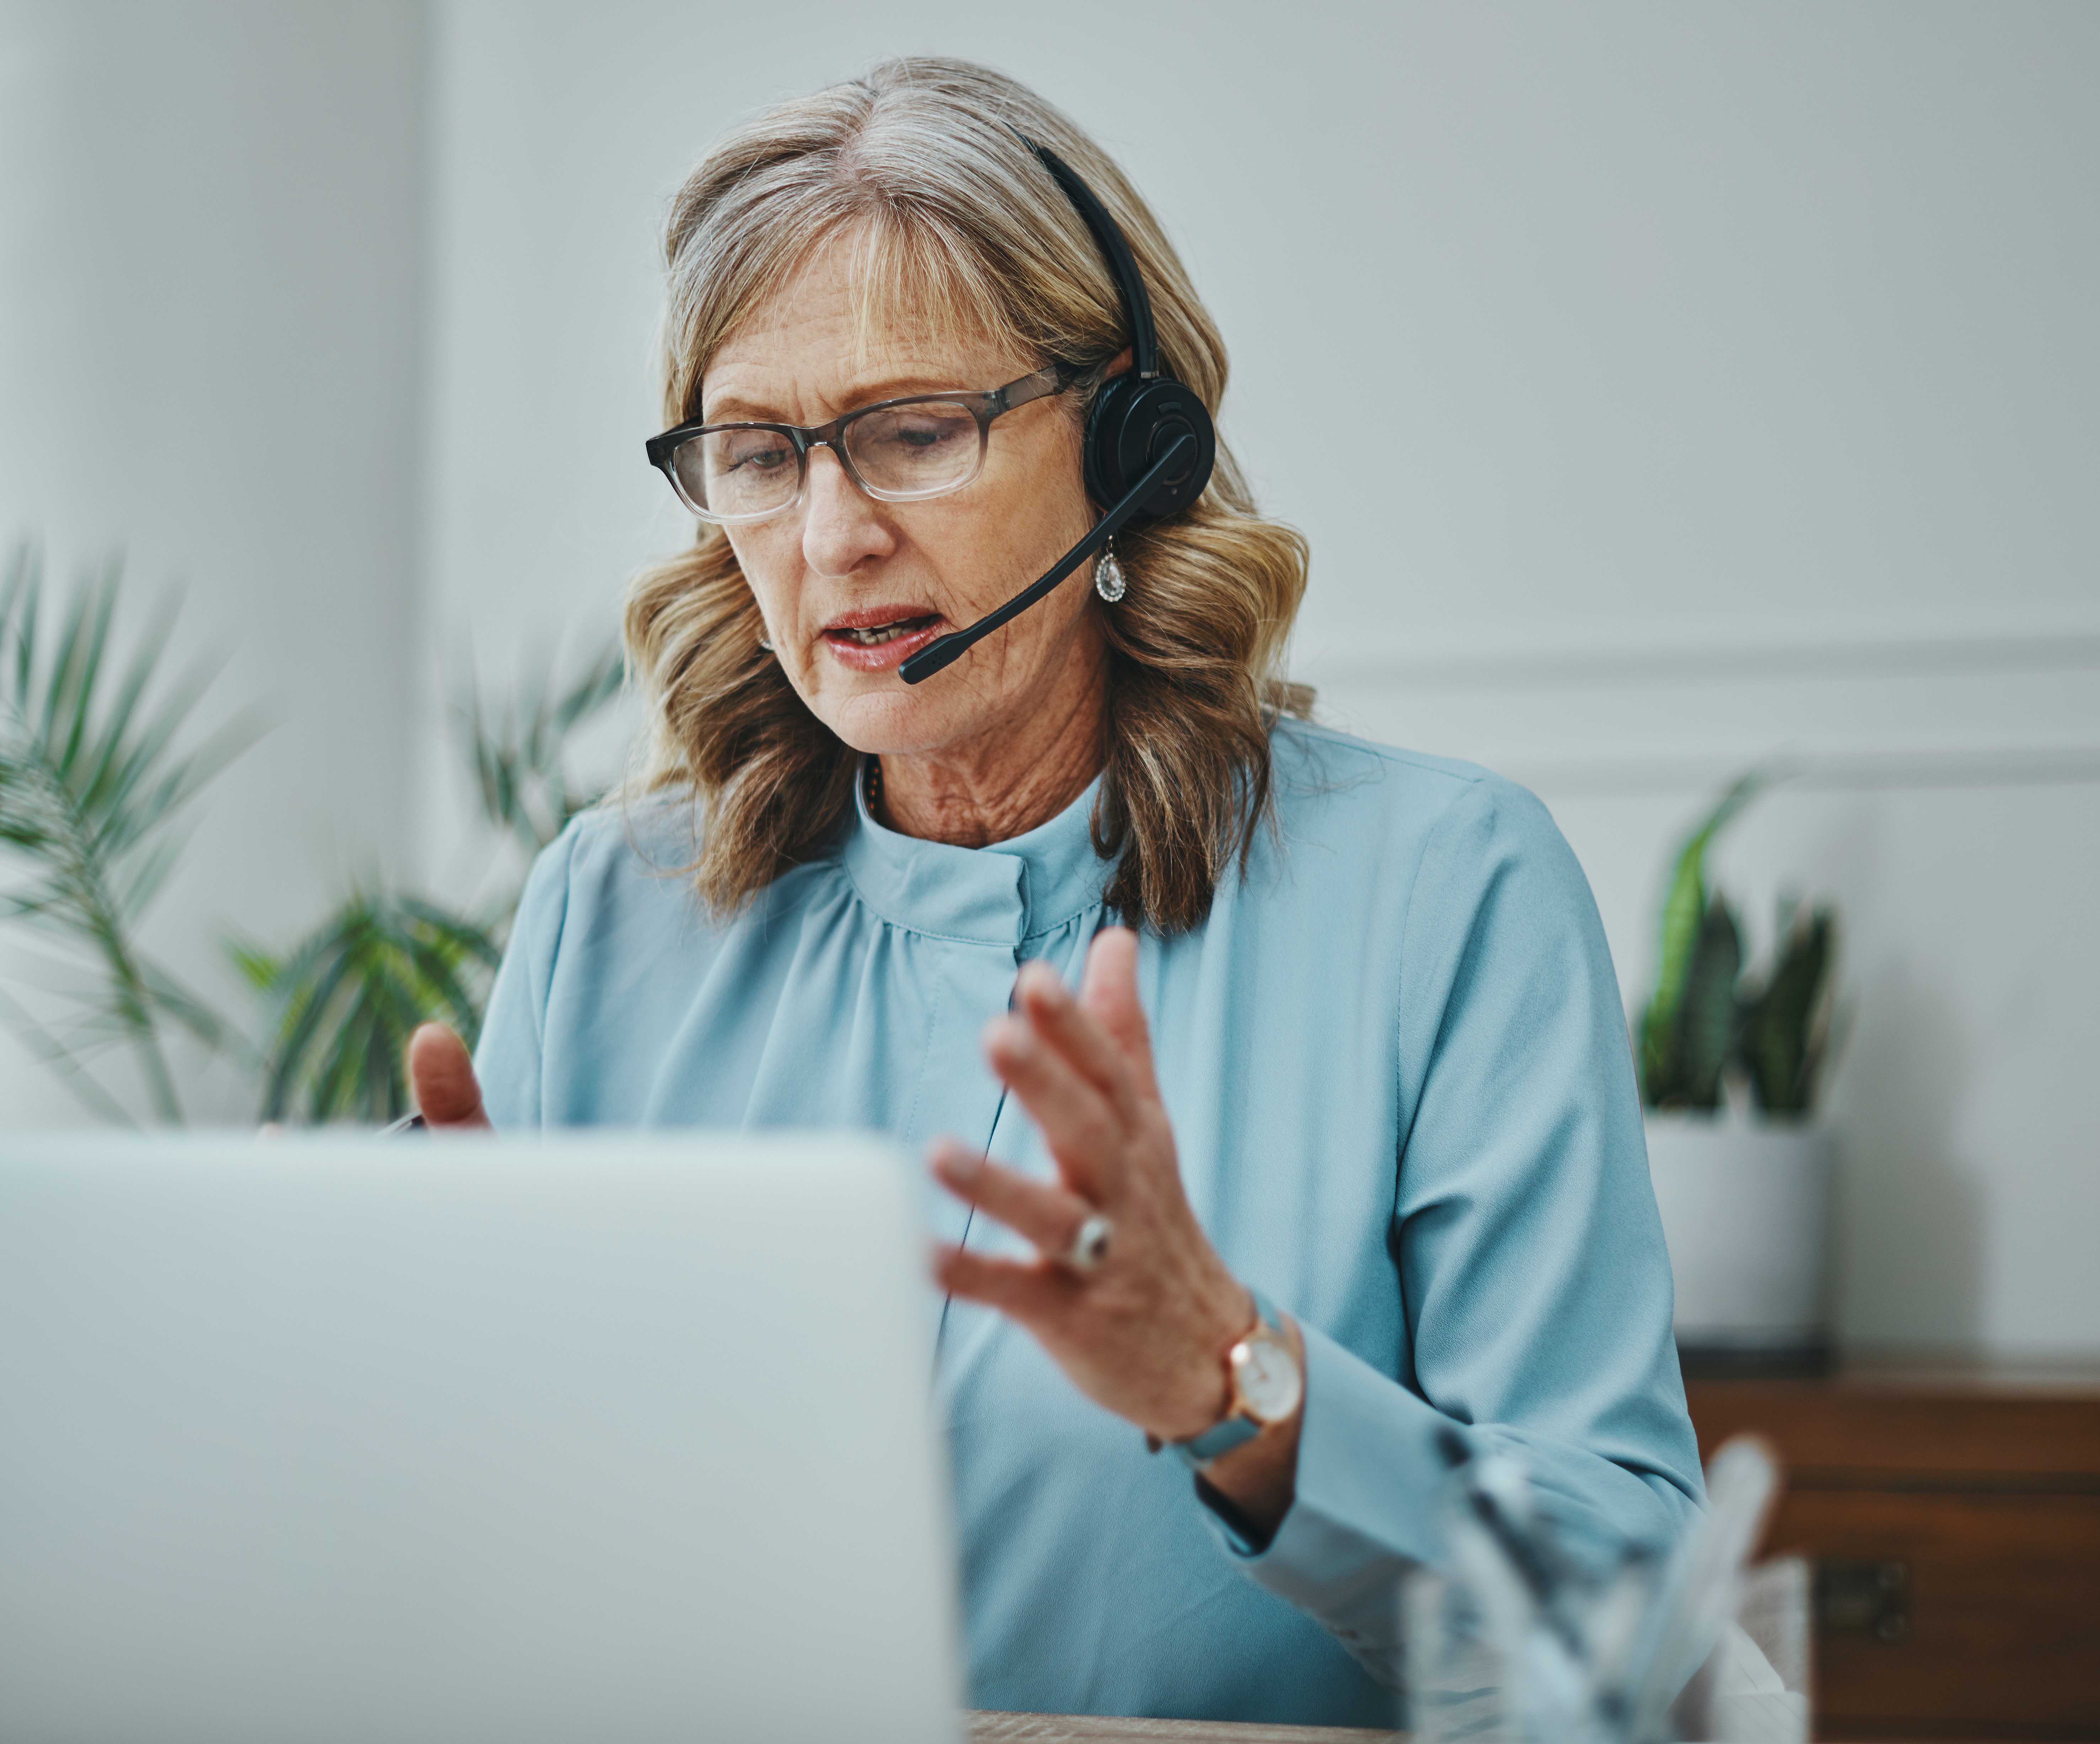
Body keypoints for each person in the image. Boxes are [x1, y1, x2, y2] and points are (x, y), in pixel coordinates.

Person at [405, 56, 1701, 1729]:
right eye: (759, 453)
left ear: (1130, 446)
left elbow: (1619, 1627)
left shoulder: (1444, 895)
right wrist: (396, 1386)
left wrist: (1243, 1387)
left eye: (915, 432)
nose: (833, 533)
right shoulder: (612, 915)